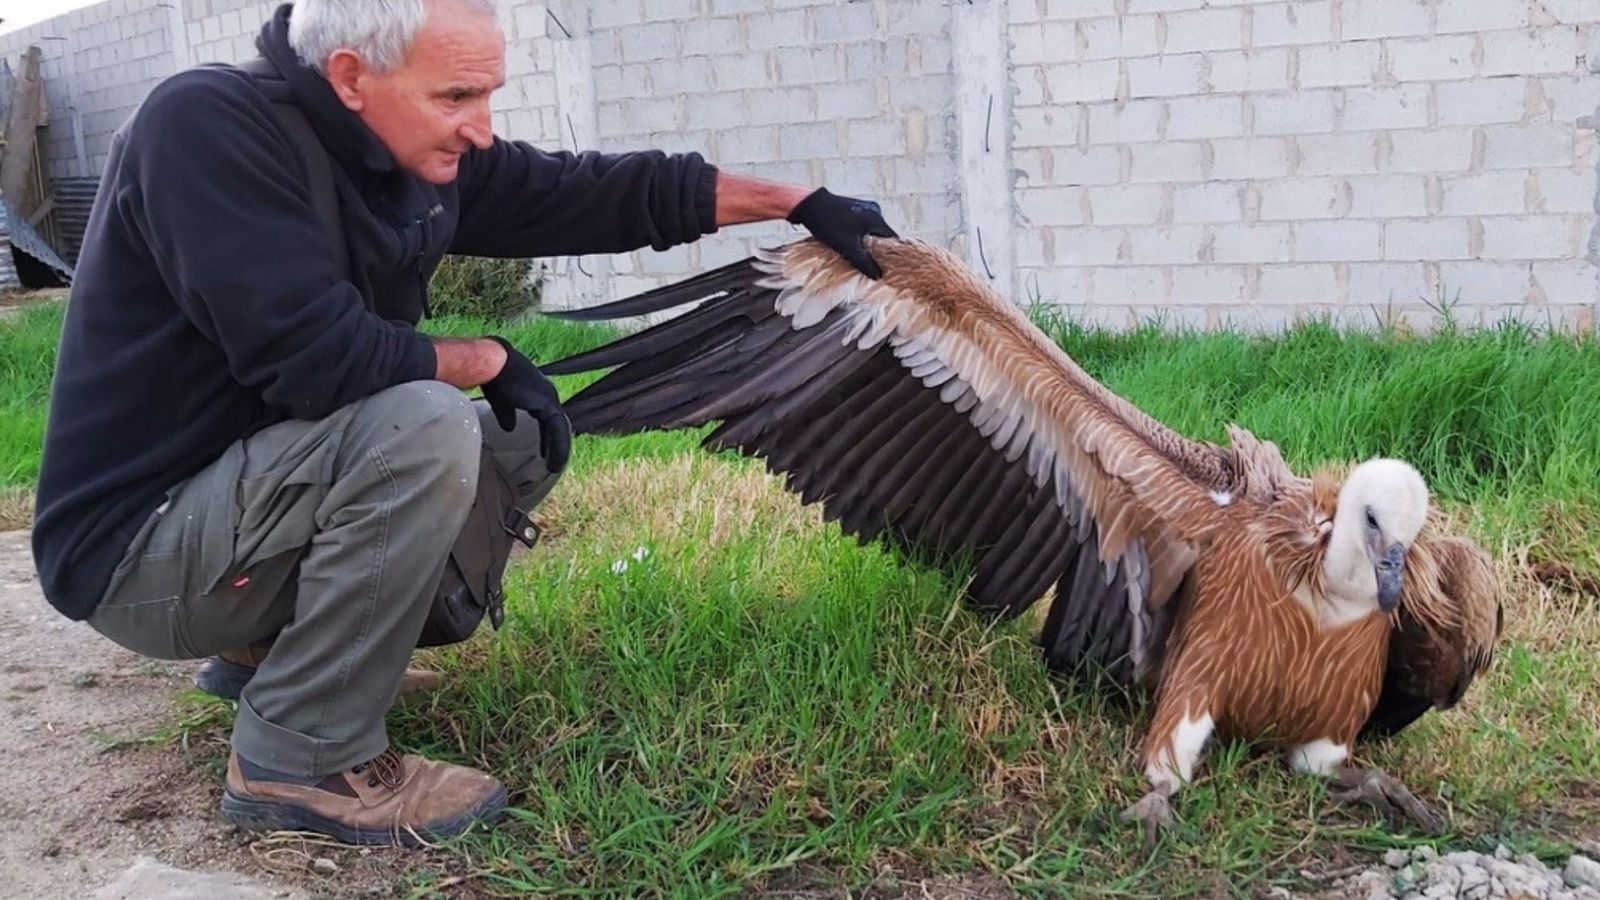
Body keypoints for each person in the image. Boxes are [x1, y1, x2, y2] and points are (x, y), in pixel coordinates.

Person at [30, 0, 897, 847]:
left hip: (237, 519)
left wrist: (795, 200)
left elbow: (589, 193)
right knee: (424, 425)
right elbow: (309, 356)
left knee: (507, 438)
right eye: (456, 98)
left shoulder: (402, 154)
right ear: (350, 77)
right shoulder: (206, 126)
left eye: (487, 96)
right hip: (139, 552)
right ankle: (302, 759)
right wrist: (486, 359)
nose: (480, 127)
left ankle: (274, 658)